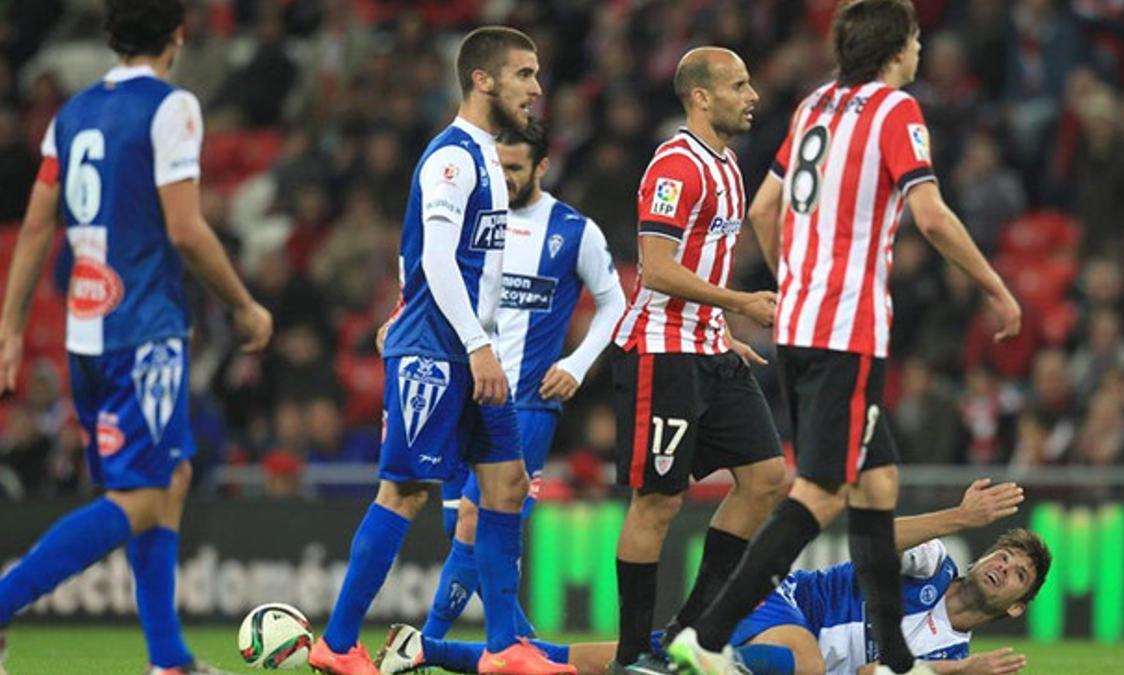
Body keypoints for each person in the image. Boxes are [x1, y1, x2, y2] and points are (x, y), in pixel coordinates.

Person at [668, 3, 1023, 675]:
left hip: (805, 326)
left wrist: (794, 282)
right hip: (845, 330)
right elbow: (932, 214)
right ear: (899, 48)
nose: (920, 50)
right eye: (916, 39)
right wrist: (996, 287)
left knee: (877, 483)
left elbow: (763, 209)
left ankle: (895, 659)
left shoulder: (815, 106)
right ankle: (705, 632)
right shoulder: (894, 110)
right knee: (822, 493)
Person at [0, 2, 273, 674]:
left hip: (87, 332)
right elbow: (184, 228)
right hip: (143, 330)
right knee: (142, 496)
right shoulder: (172, 107)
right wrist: (244, 304)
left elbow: (36, 227)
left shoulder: (73, 113)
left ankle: (168, 659)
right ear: (178, 35)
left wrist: (10, 327)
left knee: (171, 474)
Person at [308, 26, 568, 675]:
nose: (536, 88)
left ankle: (505, 646)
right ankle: (337, 644)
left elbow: (459, 268)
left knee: (506, 482)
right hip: (438, 350)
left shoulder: (485, 156)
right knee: (405, 490)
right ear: (483, 79)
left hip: (471, 350)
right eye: (524, 74)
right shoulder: (451, 158)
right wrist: (475, 344)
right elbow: (439, 259)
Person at [377, 480, 1047, 675]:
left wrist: (961, 672)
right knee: (808, 662)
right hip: (776, 599)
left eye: (1016, 573)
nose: (1001, 565)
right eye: (1004, 554)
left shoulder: (950, 655)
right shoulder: (935, 566)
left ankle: (425, 650)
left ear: (1016, 604)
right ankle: (683, 666)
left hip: (767, 654)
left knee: (592, 662)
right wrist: (956, 516)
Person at [607, 46, 790, 674]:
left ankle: (689, 634)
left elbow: (697, 265)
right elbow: (656, 270)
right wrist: (740, 303)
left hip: (708, 347)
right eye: (739, 85)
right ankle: (633, 656)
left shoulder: (731, 166)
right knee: (658, 502)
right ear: (701, 97)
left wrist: (720, 325)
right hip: (662, 352)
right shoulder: (674, 165)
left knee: (768, 477)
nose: (752, 95)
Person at [422, 118, 626, 639]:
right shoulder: (475, 222)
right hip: (464, 395)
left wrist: (576, 365)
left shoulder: (573, 231)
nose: (504, 178)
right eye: (498, 167)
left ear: (541, 165)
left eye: (514, 168)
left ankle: (425, 644)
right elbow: (431, 274)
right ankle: (524, 645)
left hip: (526, 404)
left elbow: (614, 303)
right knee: (460, 526)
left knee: (478, 522)